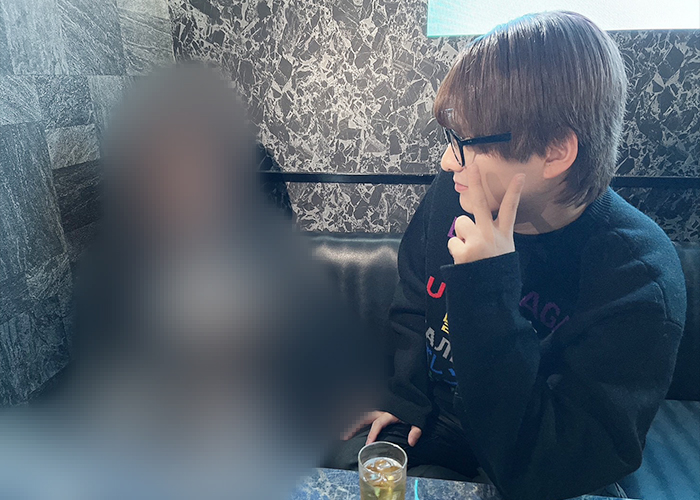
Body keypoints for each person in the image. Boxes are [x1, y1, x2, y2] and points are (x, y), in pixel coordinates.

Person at [325, 11, 686, 500]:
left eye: (466, 143)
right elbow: (414, 300)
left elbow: (545, 465)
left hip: (538, 455)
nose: (447, 160)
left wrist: (486, 284)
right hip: (438, 425)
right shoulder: (454, 194)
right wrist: (404, 398)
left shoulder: (638, 277)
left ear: (555, 151)